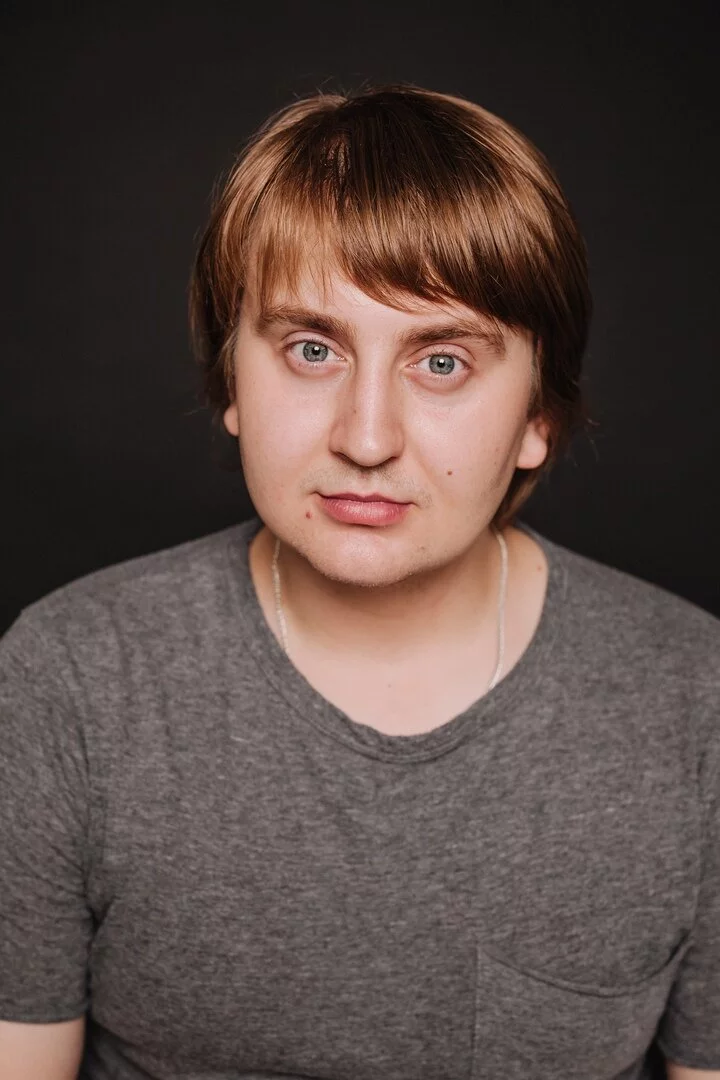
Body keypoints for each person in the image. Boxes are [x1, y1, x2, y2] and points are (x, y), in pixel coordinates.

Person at [0, 83, 718, 1080]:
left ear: (538, 417)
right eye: (311, 350)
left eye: (442, 363)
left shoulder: (694, 705)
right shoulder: (67, 682)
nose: (366, 438)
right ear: (232, 383)